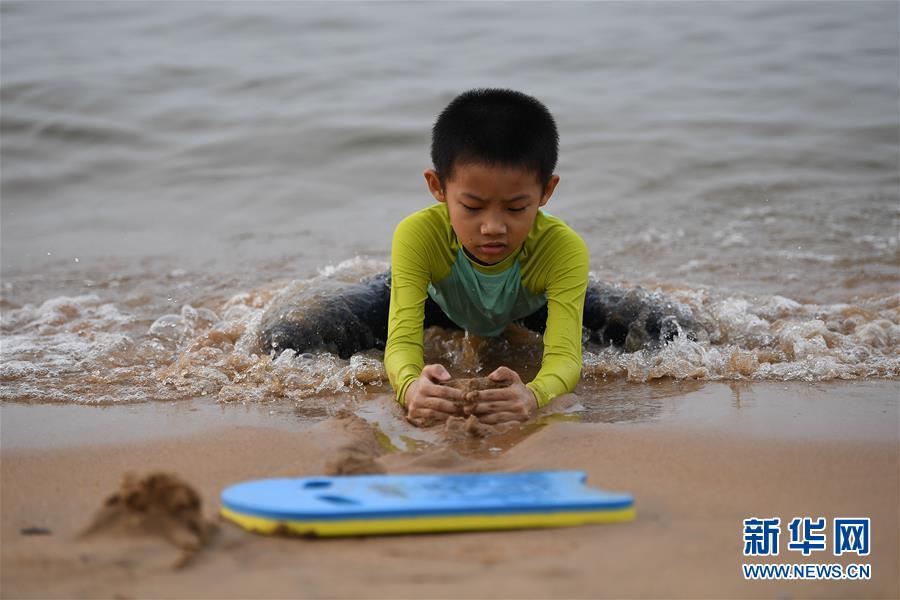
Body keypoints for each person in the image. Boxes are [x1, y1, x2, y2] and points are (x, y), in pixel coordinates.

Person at [385, 88, 587, 426]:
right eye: (472, 207)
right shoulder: (417, 235)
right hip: (439, 302)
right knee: (307, 332)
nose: (493, 227)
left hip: (530, 307)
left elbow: (565, 358)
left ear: (546, 191)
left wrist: (533, 395)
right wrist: (410, 388)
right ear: (438, 186)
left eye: (516, 208)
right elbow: (401, 341)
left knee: (662, 329)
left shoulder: (562, 248)